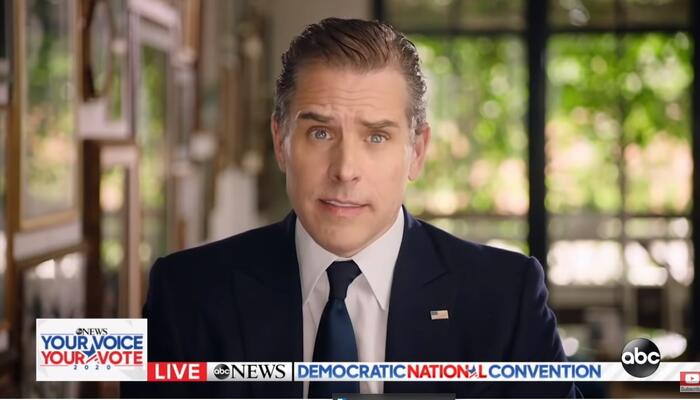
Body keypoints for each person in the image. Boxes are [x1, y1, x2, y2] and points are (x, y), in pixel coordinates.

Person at [122, 18, 580, 398]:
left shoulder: (505, 298)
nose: (344, 170)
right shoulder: (186, 293)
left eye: (376, 136)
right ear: (281, 142)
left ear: (417, 152)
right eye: (320, 133)